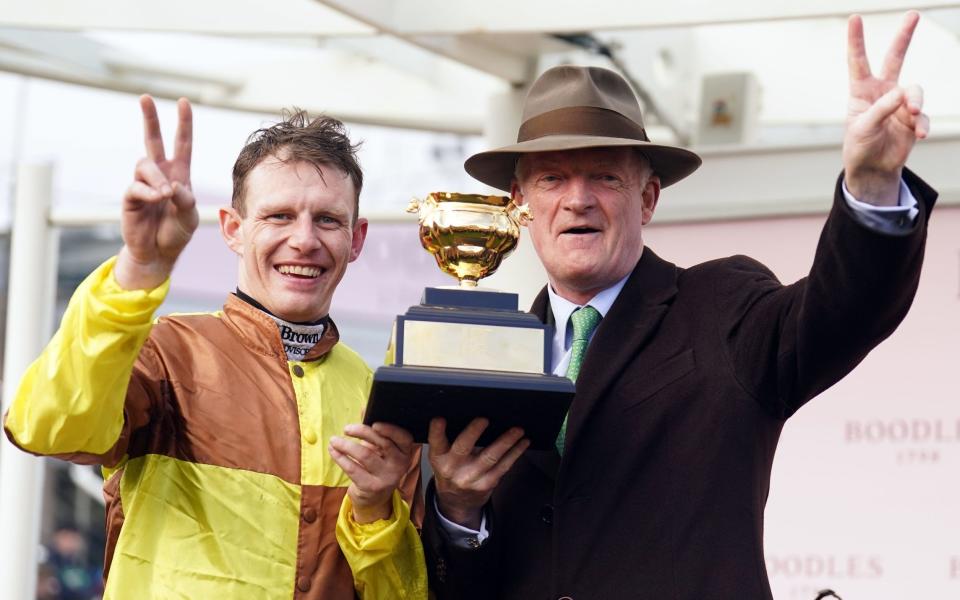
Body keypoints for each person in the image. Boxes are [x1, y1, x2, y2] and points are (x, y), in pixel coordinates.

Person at [421, 12, 935, 600]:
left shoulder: (723, 306)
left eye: (605, 177)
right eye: (553, 179)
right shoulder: (490, 354)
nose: (578, 200)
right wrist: (457, 513)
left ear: (647, 198)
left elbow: (842, 312)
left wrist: (870, 184)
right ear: (520, 203)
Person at [3, 97, 427, 599]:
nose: (304, 239)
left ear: (356, 240)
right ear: (232, 228)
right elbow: (46, 427)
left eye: (328, 220)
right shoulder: (165, 352)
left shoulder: (376, 396)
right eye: (279, 216)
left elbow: (403, 593)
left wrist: (375, 508)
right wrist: (140, 268)